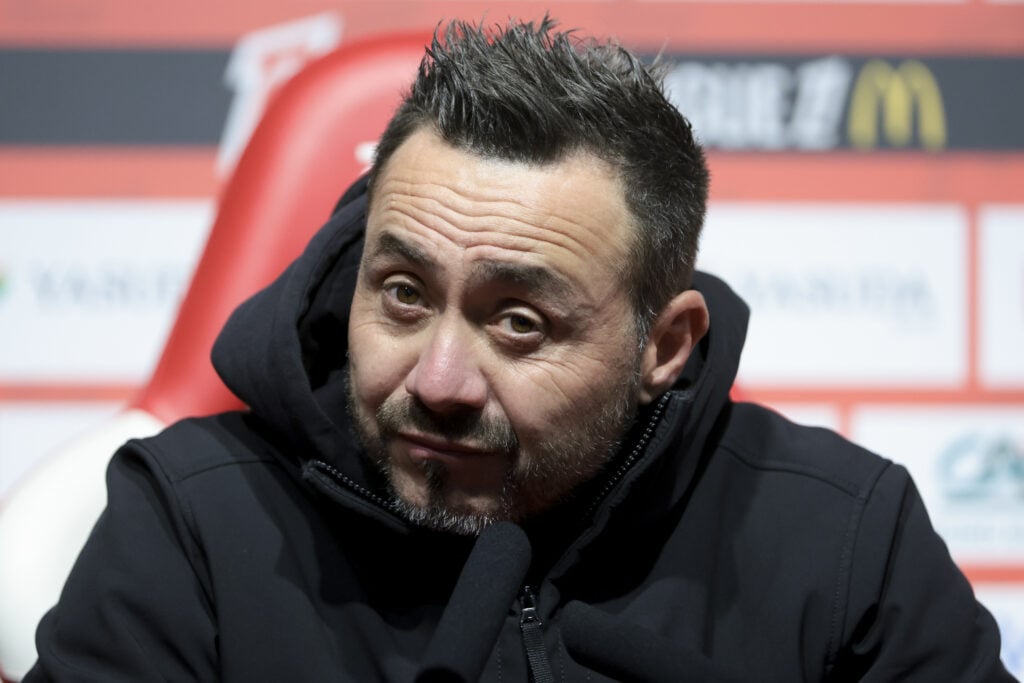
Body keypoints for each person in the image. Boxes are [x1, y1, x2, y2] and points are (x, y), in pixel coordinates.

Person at [25, 17, 1015, 683]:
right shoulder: (192, 520)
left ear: (664, 345)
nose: (438, 382)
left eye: (518, 323)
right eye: (403, 295)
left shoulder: (843, 538)